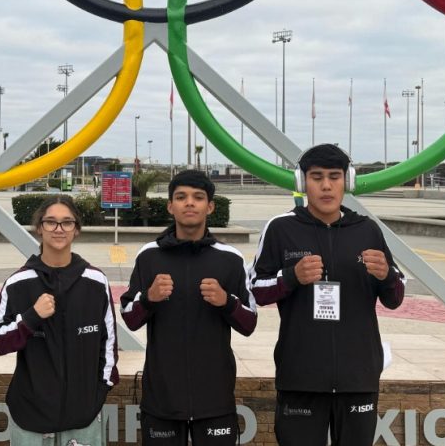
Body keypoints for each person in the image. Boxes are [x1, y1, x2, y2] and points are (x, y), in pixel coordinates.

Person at [250, 144, 406, 446]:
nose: (326, 185)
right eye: (316, 177)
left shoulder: (368, 230)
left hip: (358, 378)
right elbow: (256, 290)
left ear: (347, 180)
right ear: (302, 181)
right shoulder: (281, 228)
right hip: (301, 377)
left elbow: (395, 297)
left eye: (334, 177)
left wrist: (386, 275)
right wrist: (291, 277)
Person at [119, 170, 256, 445]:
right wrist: (148, 298)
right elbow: (130, 319)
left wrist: (226, 302)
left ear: (210, 206)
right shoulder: (149, 256)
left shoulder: (230, 259)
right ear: (170, 206)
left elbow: (249, 323)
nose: (189, 203)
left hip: (215, 399)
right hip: (162, 400)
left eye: (198, 197)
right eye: (181, 197)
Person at [0, 196, 117, 445]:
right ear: (39, 228)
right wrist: (30, 318)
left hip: (83, 418)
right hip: (30, 417)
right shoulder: (18, 283)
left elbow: (109, 344)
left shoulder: (95, 282)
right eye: (51, 222)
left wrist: (98, 393)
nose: (59, 229)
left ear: (76, 229)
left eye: (67, 222)